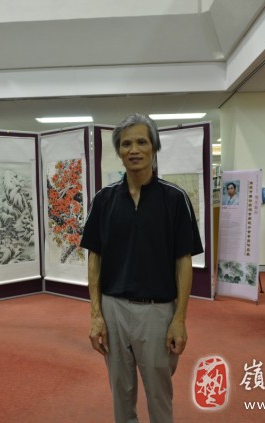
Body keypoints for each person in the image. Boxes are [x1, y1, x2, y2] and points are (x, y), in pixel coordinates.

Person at [80, 113, 203, 422]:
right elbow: (94, 259)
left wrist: (179, 319)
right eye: (126, 144)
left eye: (141, 142)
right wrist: (96, 315)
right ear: (119, 151)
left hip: (157, 312)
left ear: (154, 147)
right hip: (113, 309)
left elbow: (184, 262)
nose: (133, 150)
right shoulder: (103, 200)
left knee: (159, 394)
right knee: (120, 393)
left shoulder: (175, 199)